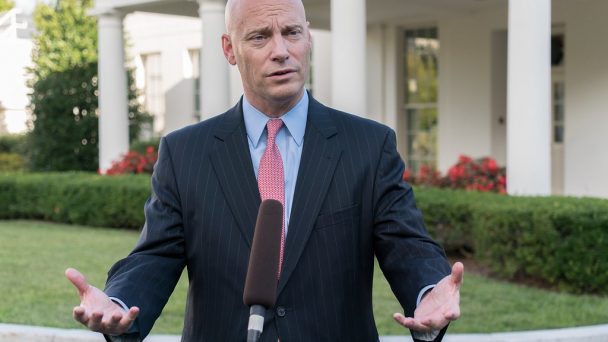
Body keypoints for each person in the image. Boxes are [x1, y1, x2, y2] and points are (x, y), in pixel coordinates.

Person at [65, 0, 463, 340]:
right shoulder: (185, 152)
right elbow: (155, 257)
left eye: (291, 32)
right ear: (229, 48)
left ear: (308, 37)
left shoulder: (368, 146)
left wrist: (427, 290)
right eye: (259, 37)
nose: (281, 51)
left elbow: (406, 243)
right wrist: (117, 303)